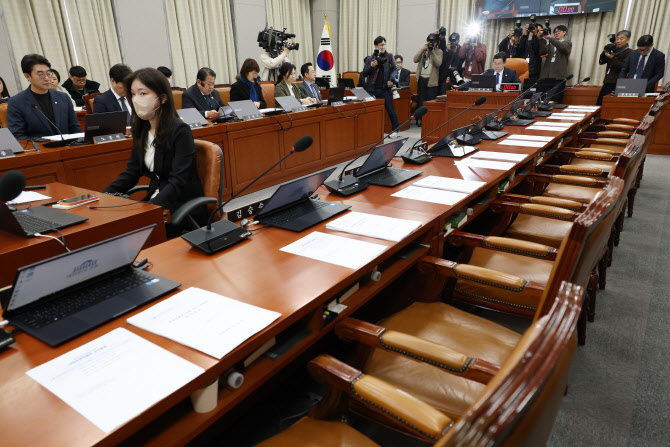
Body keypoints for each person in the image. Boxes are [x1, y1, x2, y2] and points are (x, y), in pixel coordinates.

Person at [103, 67, 205, 231]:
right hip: (156, 199)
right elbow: (132, 172)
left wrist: (149, 208)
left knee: (127, 230)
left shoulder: (180, 131)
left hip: (181, 204)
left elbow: (178, 181)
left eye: (143, 93)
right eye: (133, 94)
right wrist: (104, 196)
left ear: (163, 98)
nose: (136, 99)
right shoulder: (141, 130)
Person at [7, 54, 81, 141]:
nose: (47, 78)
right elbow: (18, 136)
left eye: (48, 73)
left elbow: (75, 127)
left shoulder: (63, 97)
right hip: (40, 151)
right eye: (41, 74)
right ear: (27, 76)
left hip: (68, 149)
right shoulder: (16, 102)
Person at [360, 36, 401, 137]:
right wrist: (371, 66)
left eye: (384, 44)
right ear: (375, 46)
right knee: (369, 111)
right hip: (372, 89)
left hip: (384, 89)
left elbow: (395, 69)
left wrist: (391, 80)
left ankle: (396, 130)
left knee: (390, 110)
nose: (383, 47)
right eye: (380, 45)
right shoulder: (370, 58)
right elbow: (364, 73)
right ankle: (370, 130)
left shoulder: (390, 56)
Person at [597, 30, 633, 105]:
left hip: (619, 83)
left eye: (621, 39)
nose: (618, 41)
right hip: (608, 81)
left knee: (611, 105)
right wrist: (605, 52)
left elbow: (624, 67)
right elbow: (601, 61)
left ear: (628, 40)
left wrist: (612, 57)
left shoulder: (630, 52)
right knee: (600, 104)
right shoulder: (614, 50)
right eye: (617, 39)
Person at [413, 33, 443, 118]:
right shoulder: (424, 51)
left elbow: (438, 63)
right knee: (421, 101)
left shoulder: (439, 52)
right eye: (429, 41)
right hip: (422, 79)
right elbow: (415, 59)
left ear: (436, 43)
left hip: (431, 80)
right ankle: (422, 120)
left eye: (432, 42)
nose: (430, 43)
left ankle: (429, 120)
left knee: (430, 101)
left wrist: (432, 51)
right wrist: (422, 49)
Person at [540, 25, 572, 103]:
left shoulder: (567, 43)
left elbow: (563, 48)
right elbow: (541, 52)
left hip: (559, 76)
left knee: (557, 99)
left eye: (558, 31)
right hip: (547, 76)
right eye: (555, 32)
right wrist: (540, 38)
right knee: (545, 99)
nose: (556, 33)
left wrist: (551, 39)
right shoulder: (550, 44)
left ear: (564, 32)